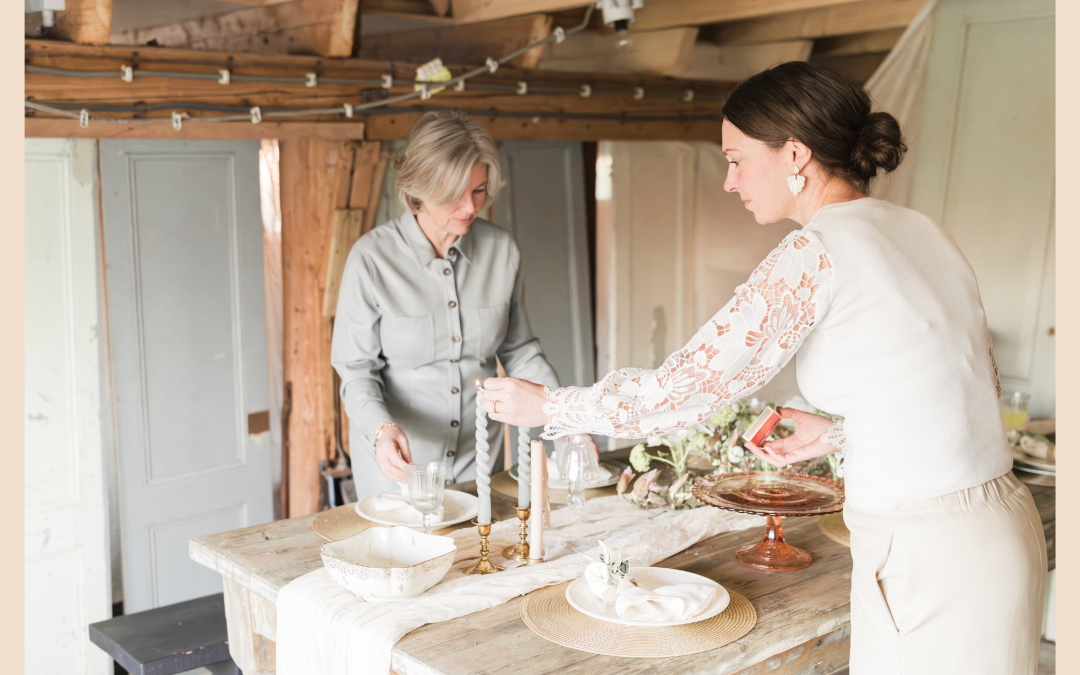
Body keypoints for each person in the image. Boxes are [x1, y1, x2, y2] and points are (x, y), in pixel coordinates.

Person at [481, 62, 1045, 674]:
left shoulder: (817, 250)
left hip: (930, 555)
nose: (729, 181)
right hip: (1000, 531)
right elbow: (962, 387)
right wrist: (837, 433)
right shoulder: (920, 230)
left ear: (795, 154)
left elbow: (690, 385)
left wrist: (552, 406)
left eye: (736, 158)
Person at [330, 110, 561, 500]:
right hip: (400, 470)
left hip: (481, 465)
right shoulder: (370, 259)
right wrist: (382, 432)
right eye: (455, 194)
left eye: (478, 190)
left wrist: (566, 418)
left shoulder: (502, 250)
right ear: (419, 188)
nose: (470, 208)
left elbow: (519, 350)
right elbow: (356, 371)